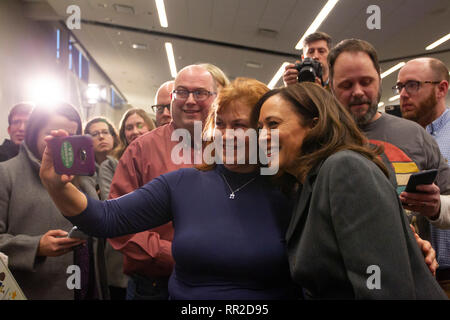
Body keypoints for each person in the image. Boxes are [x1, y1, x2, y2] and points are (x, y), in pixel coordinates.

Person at [39, 78, 298, 300]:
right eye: (220, 124)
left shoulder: (289, 191)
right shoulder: (183, 183)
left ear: (262, 131)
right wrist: (56, 186)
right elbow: (106, 218)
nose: (226, 135)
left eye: (239, 126)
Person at [253, 81, 447, 299]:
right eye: (260, 128)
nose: (262, 137)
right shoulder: (308, 184)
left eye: (273, 124)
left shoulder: (344, 168)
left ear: (314, 124)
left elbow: (380, 285)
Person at [107, 64, 219, 300]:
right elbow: (118, 220)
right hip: (154, 287)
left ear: (215, 98)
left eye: (200, 93)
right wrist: (173, 254)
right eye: (181, 92)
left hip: (215, 285)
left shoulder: (231, 148)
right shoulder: (141, 149)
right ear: (171, 98)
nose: (190, 100)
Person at [327, 39, 450, 235]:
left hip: (413, 261)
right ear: (332, 88)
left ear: (379, 80)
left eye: (366, 82)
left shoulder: (415, 134)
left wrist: (436, 207)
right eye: (346, 85)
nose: (358, 92)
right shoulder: (320, 139)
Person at [0, 102, 108, 300]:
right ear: (34, 134)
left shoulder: (86, 177)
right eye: (53, 135)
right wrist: (35, 247)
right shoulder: (6, 174)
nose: (63, 143)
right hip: (36, 289)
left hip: (87, 286)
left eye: (70, 136)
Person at [397, 57, 450, 297]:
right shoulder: (402, 140)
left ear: (442, 88)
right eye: (400, 87)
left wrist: (438, 207)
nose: (404, 94)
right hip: (419, 273)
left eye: (413, 85)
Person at [97, 108, 155, 300]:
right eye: (129, 128)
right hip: (120, 253)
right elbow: (112, 205)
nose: (135, 131)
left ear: (150, 127)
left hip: (156, 252)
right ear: (123, 134)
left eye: (140, 125)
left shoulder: (163, 157)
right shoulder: (111, 164)